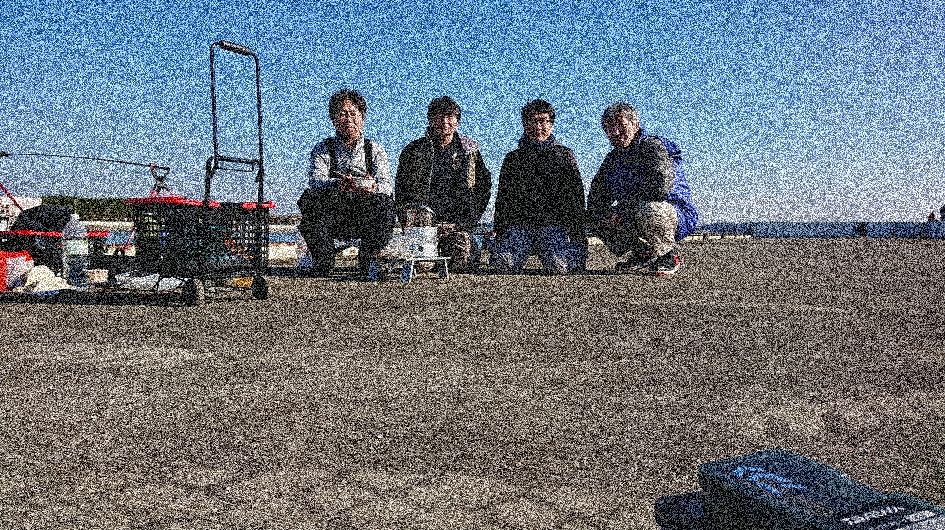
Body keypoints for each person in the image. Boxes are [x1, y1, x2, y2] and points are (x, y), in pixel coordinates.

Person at [587, 102, 698, 276]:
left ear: (635, 124)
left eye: (621, 125)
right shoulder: (612, 160)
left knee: (650, 210)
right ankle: (643, 253)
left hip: (673, 212)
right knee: (595, 216)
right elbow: (597, 196)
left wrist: (623, 211)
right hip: (634, 212)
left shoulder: (653, 147)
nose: (615, 132)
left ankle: (668, 255)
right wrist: (603, 214)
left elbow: (660, 187)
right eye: (609, 128)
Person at [297, 89, 395, 279]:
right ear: (333, 119)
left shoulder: (375, 149)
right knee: (309, 199)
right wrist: (337, 184)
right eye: (342, 114)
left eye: (353, 113)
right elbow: (316, 180)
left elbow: (386, 184)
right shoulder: (322, 148)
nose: (348, 119)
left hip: (365, 212)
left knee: (386, 204)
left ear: (362, 117)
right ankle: (323, 260)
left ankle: (369, 260)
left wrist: (370, 186)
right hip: (333, 211)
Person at [395, 96, 492, 271]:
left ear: (457, 121)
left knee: (463, 263)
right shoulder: (412, 151)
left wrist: (467, 222)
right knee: (423, 265)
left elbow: (483, 188)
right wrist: (408, 223)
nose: (444, 122)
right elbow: (400, 190)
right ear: (430, 119)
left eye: (450, 117)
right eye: (439, 116)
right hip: (422, 225)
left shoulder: (470, 151)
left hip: (456, 225)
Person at [490, 99, 587, 275]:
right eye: (532, 121)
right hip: (520, 226)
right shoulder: (512, 159)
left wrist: (578, 237)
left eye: (543, 121)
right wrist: (500, 231)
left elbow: (576, 198)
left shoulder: (564, 156)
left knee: (559, 268)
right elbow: (503, 198)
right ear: (524, 124)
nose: (537, 127)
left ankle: (568, 254)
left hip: (553, 226)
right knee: (503, 265)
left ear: (551, 124)